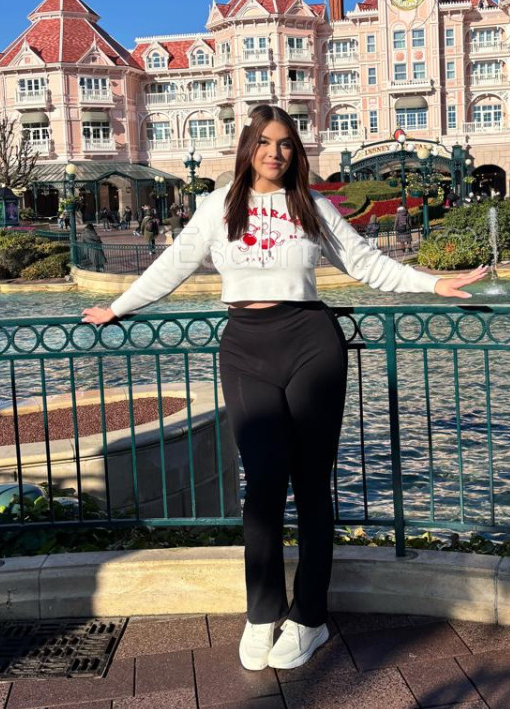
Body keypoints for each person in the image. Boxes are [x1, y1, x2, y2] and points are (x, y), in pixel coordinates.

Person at [82, 105, 487, 673]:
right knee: (264, 481)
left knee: (312, 483)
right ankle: (262, 612)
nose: (276, 153)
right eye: (266, 142)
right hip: (246, 348)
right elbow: (173, 265)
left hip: (311, 344)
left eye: (287, 144)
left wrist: (434, 283)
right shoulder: (217, 207)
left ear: (296, 152)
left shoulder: (312, 206)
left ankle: (310, 618)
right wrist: (118, 307)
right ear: (248, 148)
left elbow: (367, 265)